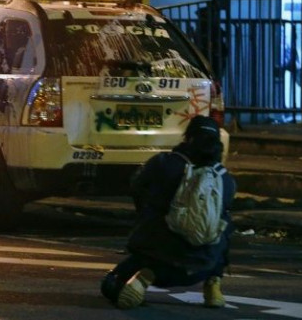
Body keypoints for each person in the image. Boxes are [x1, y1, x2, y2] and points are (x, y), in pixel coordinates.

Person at [101, 115, 236, 309]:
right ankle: (213, 285)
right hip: (205, 265)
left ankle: (143, 277)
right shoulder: (225, 179)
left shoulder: (164, 163)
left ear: (188, 138)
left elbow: (137, 187)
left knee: (111, 286)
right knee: (224, 224)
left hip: (158, 259)